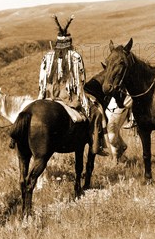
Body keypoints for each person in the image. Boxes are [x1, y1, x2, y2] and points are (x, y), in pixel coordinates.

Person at [37, 15, 109, 156]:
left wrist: (41, 96)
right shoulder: (75, 57)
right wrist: (82, 97)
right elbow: (80, 81)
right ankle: (96, 146)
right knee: (96, 112)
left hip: (49, 94)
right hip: (68, 97)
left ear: (57, 42)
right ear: (69, 42)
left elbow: (41, 80)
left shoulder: (47, 57)